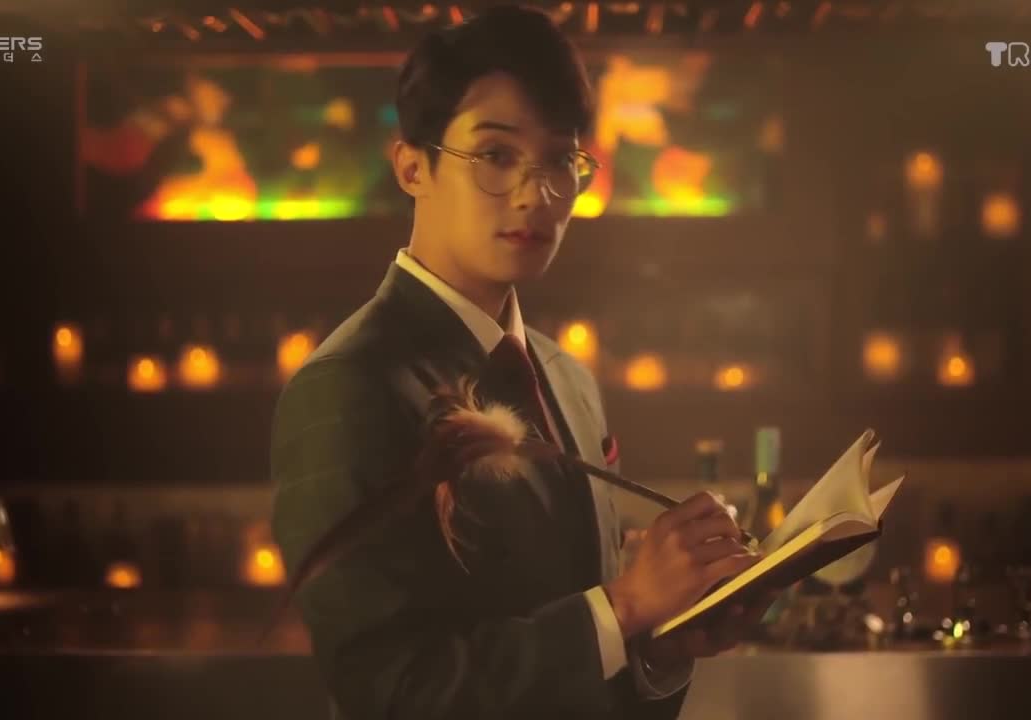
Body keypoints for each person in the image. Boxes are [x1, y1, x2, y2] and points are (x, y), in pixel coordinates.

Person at [270, 6, 769, 718]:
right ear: (412, 166)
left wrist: (660, 644)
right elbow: (390, 694)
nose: (536, 193)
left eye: (561, 160)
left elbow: (590, 647)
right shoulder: (348, 387)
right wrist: (625, 604)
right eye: (496, 156)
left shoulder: (569, 378)